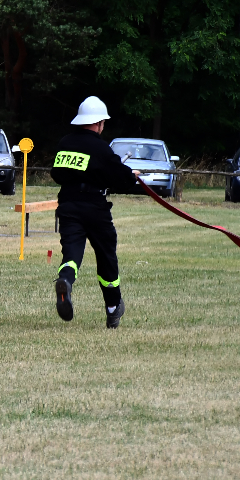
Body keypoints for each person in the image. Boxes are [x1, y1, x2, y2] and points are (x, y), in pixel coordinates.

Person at [50, 96, 141, 329]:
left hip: (68, 205)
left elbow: (57, 174)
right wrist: (131, 176)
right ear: (99, 123)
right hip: (95, 208)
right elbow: (121, 179)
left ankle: (65, 280)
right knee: (106, 255)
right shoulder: (101, 148)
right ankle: (112, 308)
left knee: (71, 254)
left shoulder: (64, 142)